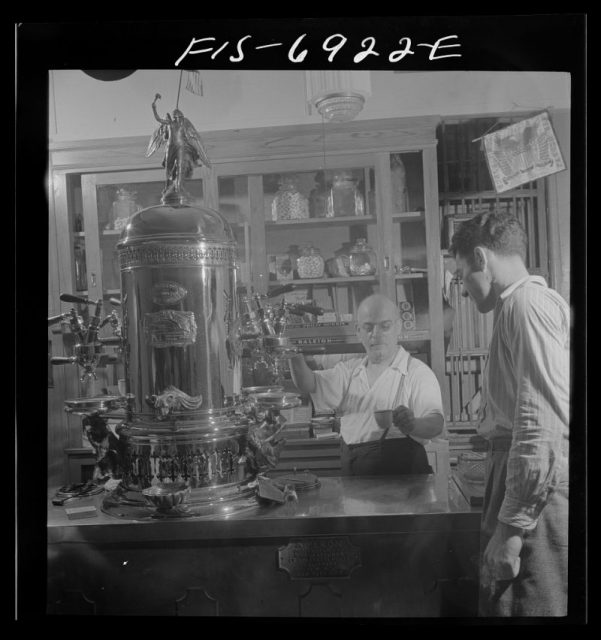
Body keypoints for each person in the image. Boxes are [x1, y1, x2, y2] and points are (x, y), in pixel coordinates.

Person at [449, 211, 569, 617]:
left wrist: (511, 530)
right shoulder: (515, 306)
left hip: (534, 498)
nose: (463, 288)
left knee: (530, 608)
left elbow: (541, 427)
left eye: (462, 273)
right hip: (518, 481)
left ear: (481, 258)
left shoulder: (526, 305)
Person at [288, 294, 444, 475]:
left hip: (403, 491)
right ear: (358, 331)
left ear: (398, 327)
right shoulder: (350, 372)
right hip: (356, 489)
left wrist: (413, 424)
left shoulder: (417, 373)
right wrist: (291, 353)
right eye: (368, 328)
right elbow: (308, 383)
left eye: (385, 326)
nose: (376, 335)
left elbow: (436, 423)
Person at [146, 93, 212, 201]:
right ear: (174, 117)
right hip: (170, 148)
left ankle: (179, 187)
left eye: (180, 117)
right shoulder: (169, 123)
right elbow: (158, 119)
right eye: (177, 117)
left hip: (181, 147)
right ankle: (168, 186)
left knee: (181, 167)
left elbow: (194, 137)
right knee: (168, 166)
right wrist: (154, 108)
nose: (179, 119)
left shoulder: (185, 124)